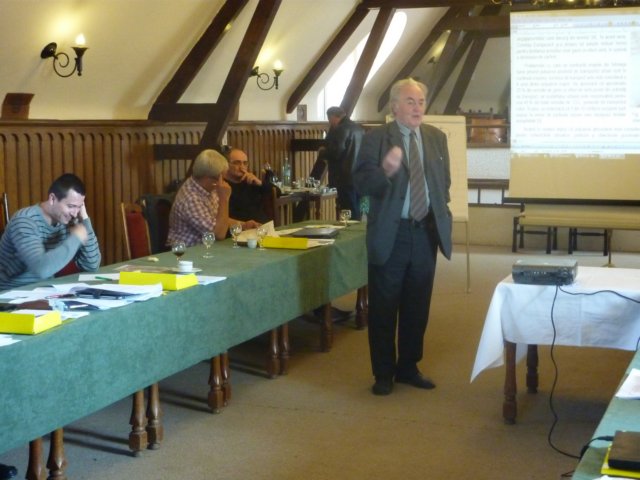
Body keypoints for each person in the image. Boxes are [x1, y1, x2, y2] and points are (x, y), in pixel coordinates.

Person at [352, 78, 452, 396]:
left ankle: (408, 367)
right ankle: (383, 373)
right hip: (391, 234)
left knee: (416, 306)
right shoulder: (376, 138)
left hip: (424, 233)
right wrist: (384, 170)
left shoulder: (436, 138)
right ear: (395, 106)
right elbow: (361, 183)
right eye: (410, 101)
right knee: (384, 306)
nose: (417, 108)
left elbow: (443, 182)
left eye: (421, 102)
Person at [0, 173, 101, 291]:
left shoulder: (68, 220)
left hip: (46, 290)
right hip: (11, 292)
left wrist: (84, 218)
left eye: (79, 207)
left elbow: (92, 265)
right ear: (52, 199)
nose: (75, 213)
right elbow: (42, 269)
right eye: (71, 206)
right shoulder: (25, 221)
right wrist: (76, 238)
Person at [167, 149, 259, 247]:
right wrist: (224, 199)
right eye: (221, 178)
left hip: (207, 248)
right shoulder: (190, 199)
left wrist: (243, 225)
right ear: (207, 178)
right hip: (188, 251)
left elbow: (216, 220)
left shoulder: (207, 187)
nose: (224, 182)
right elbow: (219, 234)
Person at [324, 106, 364, 220]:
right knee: (357, 209)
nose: (330, 123)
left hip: (344, 176)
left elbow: (336, 152)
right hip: (358, 175)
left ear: (333, 117)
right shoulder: (358, 128)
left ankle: (350, 230)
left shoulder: (340, 129)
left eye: (329, 119)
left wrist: (323, 152)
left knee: (348, 210)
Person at [224, 148, 272, 224]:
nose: (242, 167)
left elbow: (277, 192)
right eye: (237, 163)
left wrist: (259, 182)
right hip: (240, 228)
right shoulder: (222, 186)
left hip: (263, 227)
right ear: (226, 164)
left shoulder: (251, 182)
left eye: (245, 163)